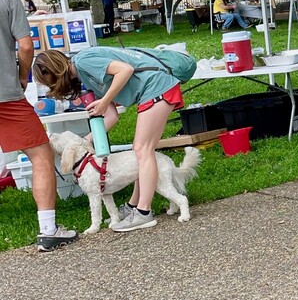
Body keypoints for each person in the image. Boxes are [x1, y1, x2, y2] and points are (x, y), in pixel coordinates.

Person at [33, 45, 188, 233]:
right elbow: (111, 117)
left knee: (141, 149)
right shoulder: (84, 75)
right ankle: (134, 207)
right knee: (141, 152)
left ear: (52, 71)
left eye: (49, 82)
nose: (52, 88)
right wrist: (83, 142)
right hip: (157, 89)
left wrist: (105, 100)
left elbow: (125, 70)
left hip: (157, 87)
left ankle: (143, 212)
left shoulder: (83, 61)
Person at [0, 0, 78, 251]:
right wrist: (22, 76)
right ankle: (48, 230)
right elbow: (24, 45)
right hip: (5, 94)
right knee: (41, 155)